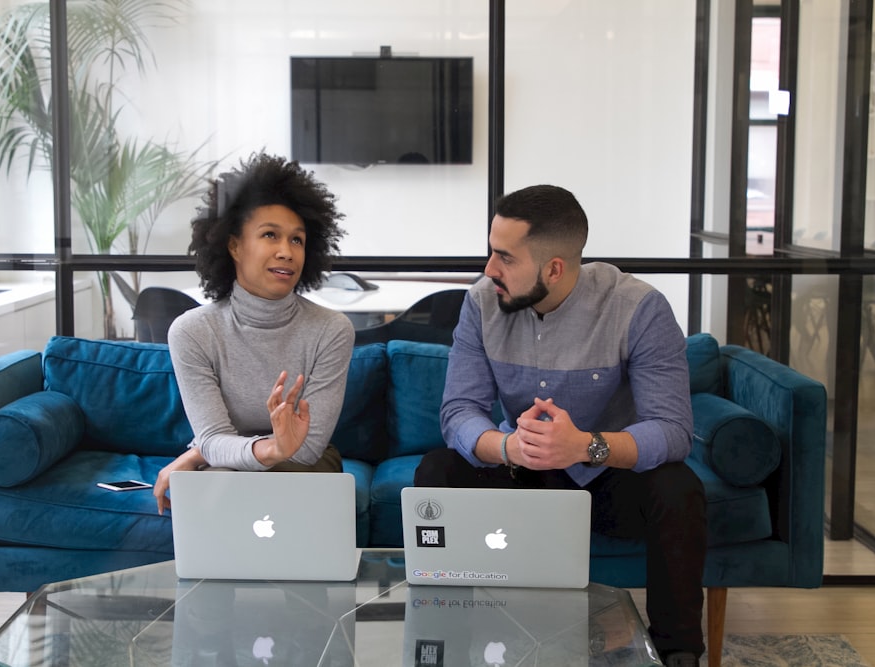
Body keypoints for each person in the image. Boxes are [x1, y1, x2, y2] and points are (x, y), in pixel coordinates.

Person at [414, 184, 707, 667]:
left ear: (554, 268)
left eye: (505, 258)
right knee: (437, 470)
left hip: (605, 476)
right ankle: (444, 644)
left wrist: (584, 446)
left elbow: (673, 430)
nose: (490, 270)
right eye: (491, 252)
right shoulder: (480, 304)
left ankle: (678, 653)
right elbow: (458, 413)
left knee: (678, 488)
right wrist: (509, 448)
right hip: (520, 471)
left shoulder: (638, 308)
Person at [154, 151, 355, 515]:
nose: (287, 252)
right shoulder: (192, 332)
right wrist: (257, 448)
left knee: (226, 479)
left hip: (306, 467)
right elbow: (213, 438)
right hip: (228, 464)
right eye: (269, 235)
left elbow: (307, 449)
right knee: (214, 486)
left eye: (297, 240)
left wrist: (204, 453)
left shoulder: (331, 330)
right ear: (233, 245)